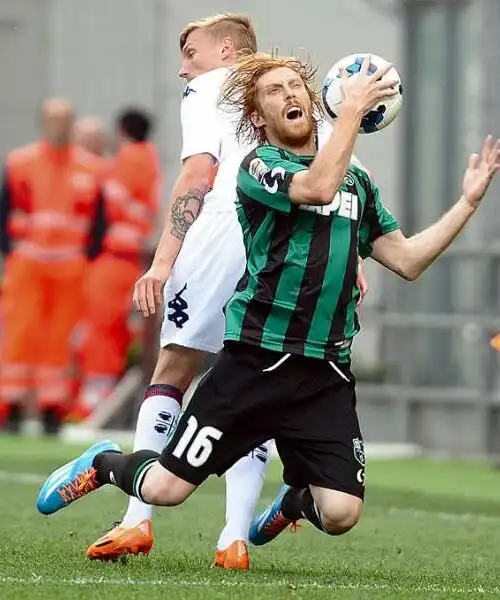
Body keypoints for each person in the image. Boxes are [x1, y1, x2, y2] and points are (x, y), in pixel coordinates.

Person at [36, 51, 500, 551]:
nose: (289, 95)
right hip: (254, 363)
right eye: (274, 92)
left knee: (342, 514)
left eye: (295, 87)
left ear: (313, 99)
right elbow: (318, 187)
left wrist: (467, 203)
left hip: (324, 373)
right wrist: (350, 114)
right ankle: (105, 463)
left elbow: (408, 260)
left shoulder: (357, 182)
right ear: (259, 118)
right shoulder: (260, 167)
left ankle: (292, 503)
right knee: (167, 489)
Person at [0, 98, 106, 435]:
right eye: (53, 120)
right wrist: (10, 253)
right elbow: (5, 212)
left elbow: (99, 221)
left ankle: (51, 407)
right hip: (27, 261)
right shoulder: (20, 163)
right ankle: (11, 405)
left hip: (69, 264)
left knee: (60, 339)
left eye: (64, 120)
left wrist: (86, 256)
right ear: (43, 123)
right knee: (19, 334)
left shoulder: (91, 169)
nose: (59, 127)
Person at [76, 108, 161, 417]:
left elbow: (107, 198)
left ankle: (93, 398)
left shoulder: (125, 161)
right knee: (116, 330)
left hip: (112, 257)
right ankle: (102, 394)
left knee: (100, 327)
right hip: (130, 257)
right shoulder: (148, 159)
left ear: (121, 131)